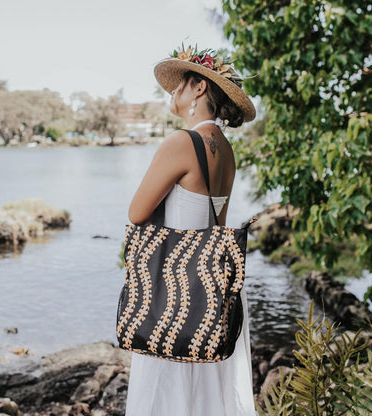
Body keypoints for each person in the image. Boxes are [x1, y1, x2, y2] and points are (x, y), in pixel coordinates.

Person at [125, 45, 256, 416]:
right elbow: (219, 226)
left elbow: (137, 213)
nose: (173, 92)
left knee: (167, 395)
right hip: (211, 290)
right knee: (209, 398)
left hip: (173, 291)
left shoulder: (181, 142)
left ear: (199, 88)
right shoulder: (226, 150)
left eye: (179, 84)